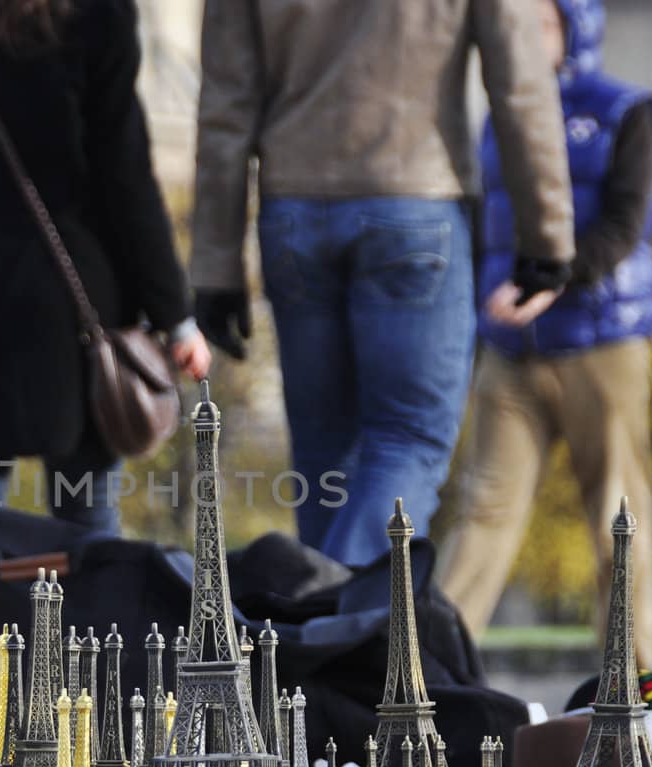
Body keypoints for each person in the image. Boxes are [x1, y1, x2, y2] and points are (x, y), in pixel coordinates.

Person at [190, 0, 576, 566]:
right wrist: (546, 237)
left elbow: (225, 107)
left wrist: (216, 263)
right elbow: (521, 82)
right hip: (415, 198)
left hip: (293, 207)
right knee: (410, 440)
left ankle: (320, 634)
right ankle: (336, 621)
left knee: (324, 458)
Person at [0, 0, 210, 612]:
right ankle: (95, 682)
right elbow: (124, 173)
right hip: (72, 301)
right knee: (85, 512)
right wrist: (174, 313)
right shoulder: (96, 14)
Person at [437, 0, 652, 670]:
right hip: (512, 351)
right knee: (482, 515)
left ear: (576, 27)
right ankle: (428, 679)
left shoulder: (628, 110)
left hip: (602, 341)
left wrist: (549, 280)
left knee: (617, 519)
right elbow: (485, 232)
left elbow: (626, 227)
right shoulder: (493, 122)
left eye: (541, 23)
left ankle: (633, 688)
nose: (525, 38)